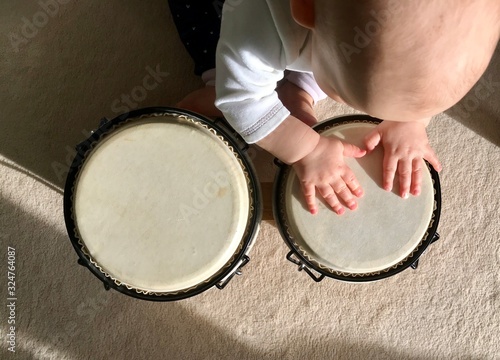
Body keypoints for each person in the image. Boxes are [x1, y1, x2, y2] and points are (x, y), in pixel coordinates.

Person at [168, 0, 500, 215]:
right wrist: (306, 149)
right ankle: (216, 85)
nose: (343, 101)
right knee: (213, 42)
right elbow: (241, 98)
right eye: (342, 95)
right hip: (236, 14)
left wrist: (410, 119)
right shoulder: (259, 16)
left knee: (343, 69)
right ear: (305, 10)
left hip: (314, 35)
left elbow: (425, 63)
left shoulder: (336, 24)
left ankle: (296, 93)